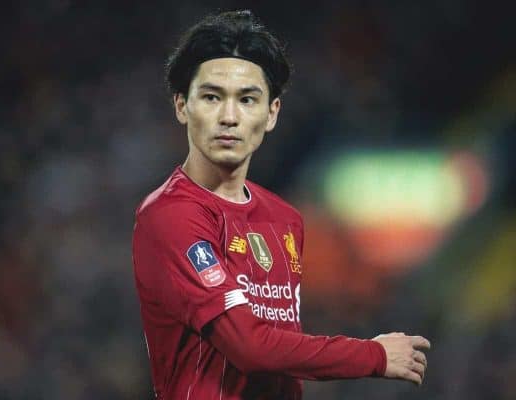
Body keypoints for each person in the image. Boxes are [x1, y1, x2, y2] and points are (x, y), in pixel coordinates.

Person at [132, 9, 430, 399]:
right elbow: (248, 346)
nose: (229, 116)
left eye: (248, 99)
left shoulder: (284, 219)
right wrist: (372, 354)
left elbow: (282, 353)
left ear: (271, 113)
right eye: (211, 96)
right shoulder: (171, 215)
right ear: (181, 106)